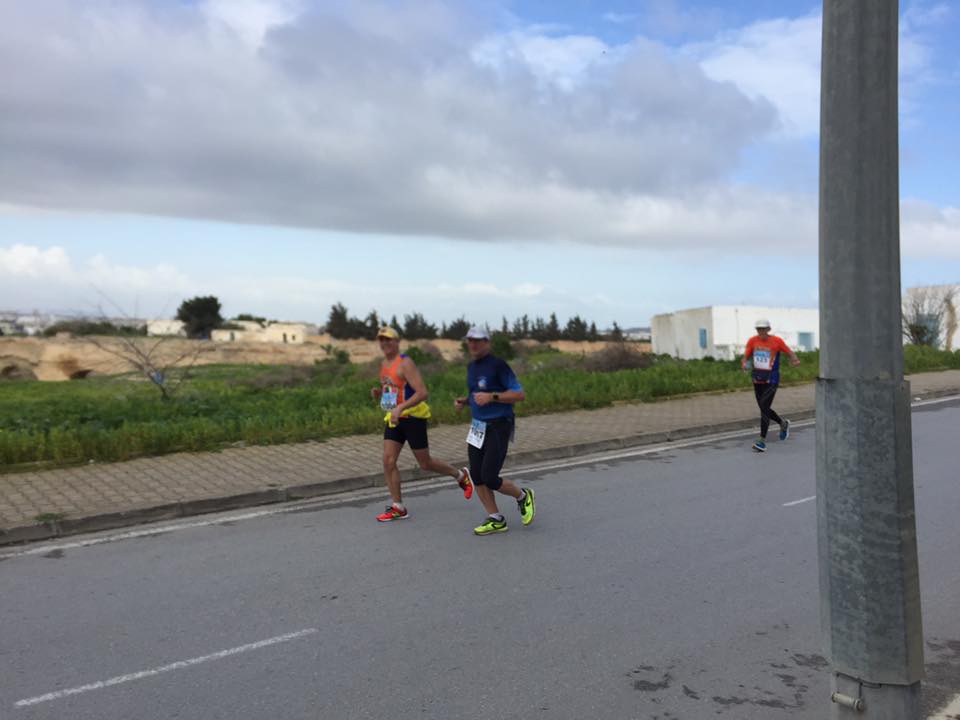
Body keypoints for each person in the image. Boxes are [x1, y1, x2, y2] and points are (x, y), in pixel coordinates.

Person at [371, 326, 473, 521]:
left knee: (425, 463)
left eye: (388, 339)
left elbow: (422, 393)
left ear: (397, 342)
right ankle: (398, 507)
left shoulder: (405, 363)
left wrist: (401, 408)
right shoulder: (384, 364)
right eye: (381, 340)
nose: (384, 343)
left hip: (414, 418)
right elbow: (393, 389)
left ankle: (460, 475)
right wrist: (380, 394)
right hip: (394, 418)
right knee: (388, 461)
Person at [454, 326, 535, 535]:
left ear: (487, 343)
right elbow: (476, 393)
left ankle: (523, 496)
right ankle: (496, 518)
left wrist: (492, 397)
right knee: (476, 475)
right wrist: (466, 401)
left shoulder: (498, 365)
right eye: (470, 340)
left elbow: (519, 395)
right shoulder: (472, 367)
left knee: (490, 477)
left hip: (498, 425)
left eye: (477, 340)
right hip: (477, 427)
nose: (473, 344)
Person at [741, 319, 801, 452]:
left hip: (772, 380)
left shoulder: (777, 341)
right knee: (764, 408)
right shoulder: (752, 341)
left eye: (763, 329)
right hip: (757, 379)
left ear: (768, 329)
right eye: (758, 329)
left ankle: (762, 441)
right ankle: (783, 423)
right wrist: (744, 364)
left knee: (764, 408)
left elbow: (789, 352)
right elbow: (746, 356)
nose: (761, 331)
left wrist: (795, 360)